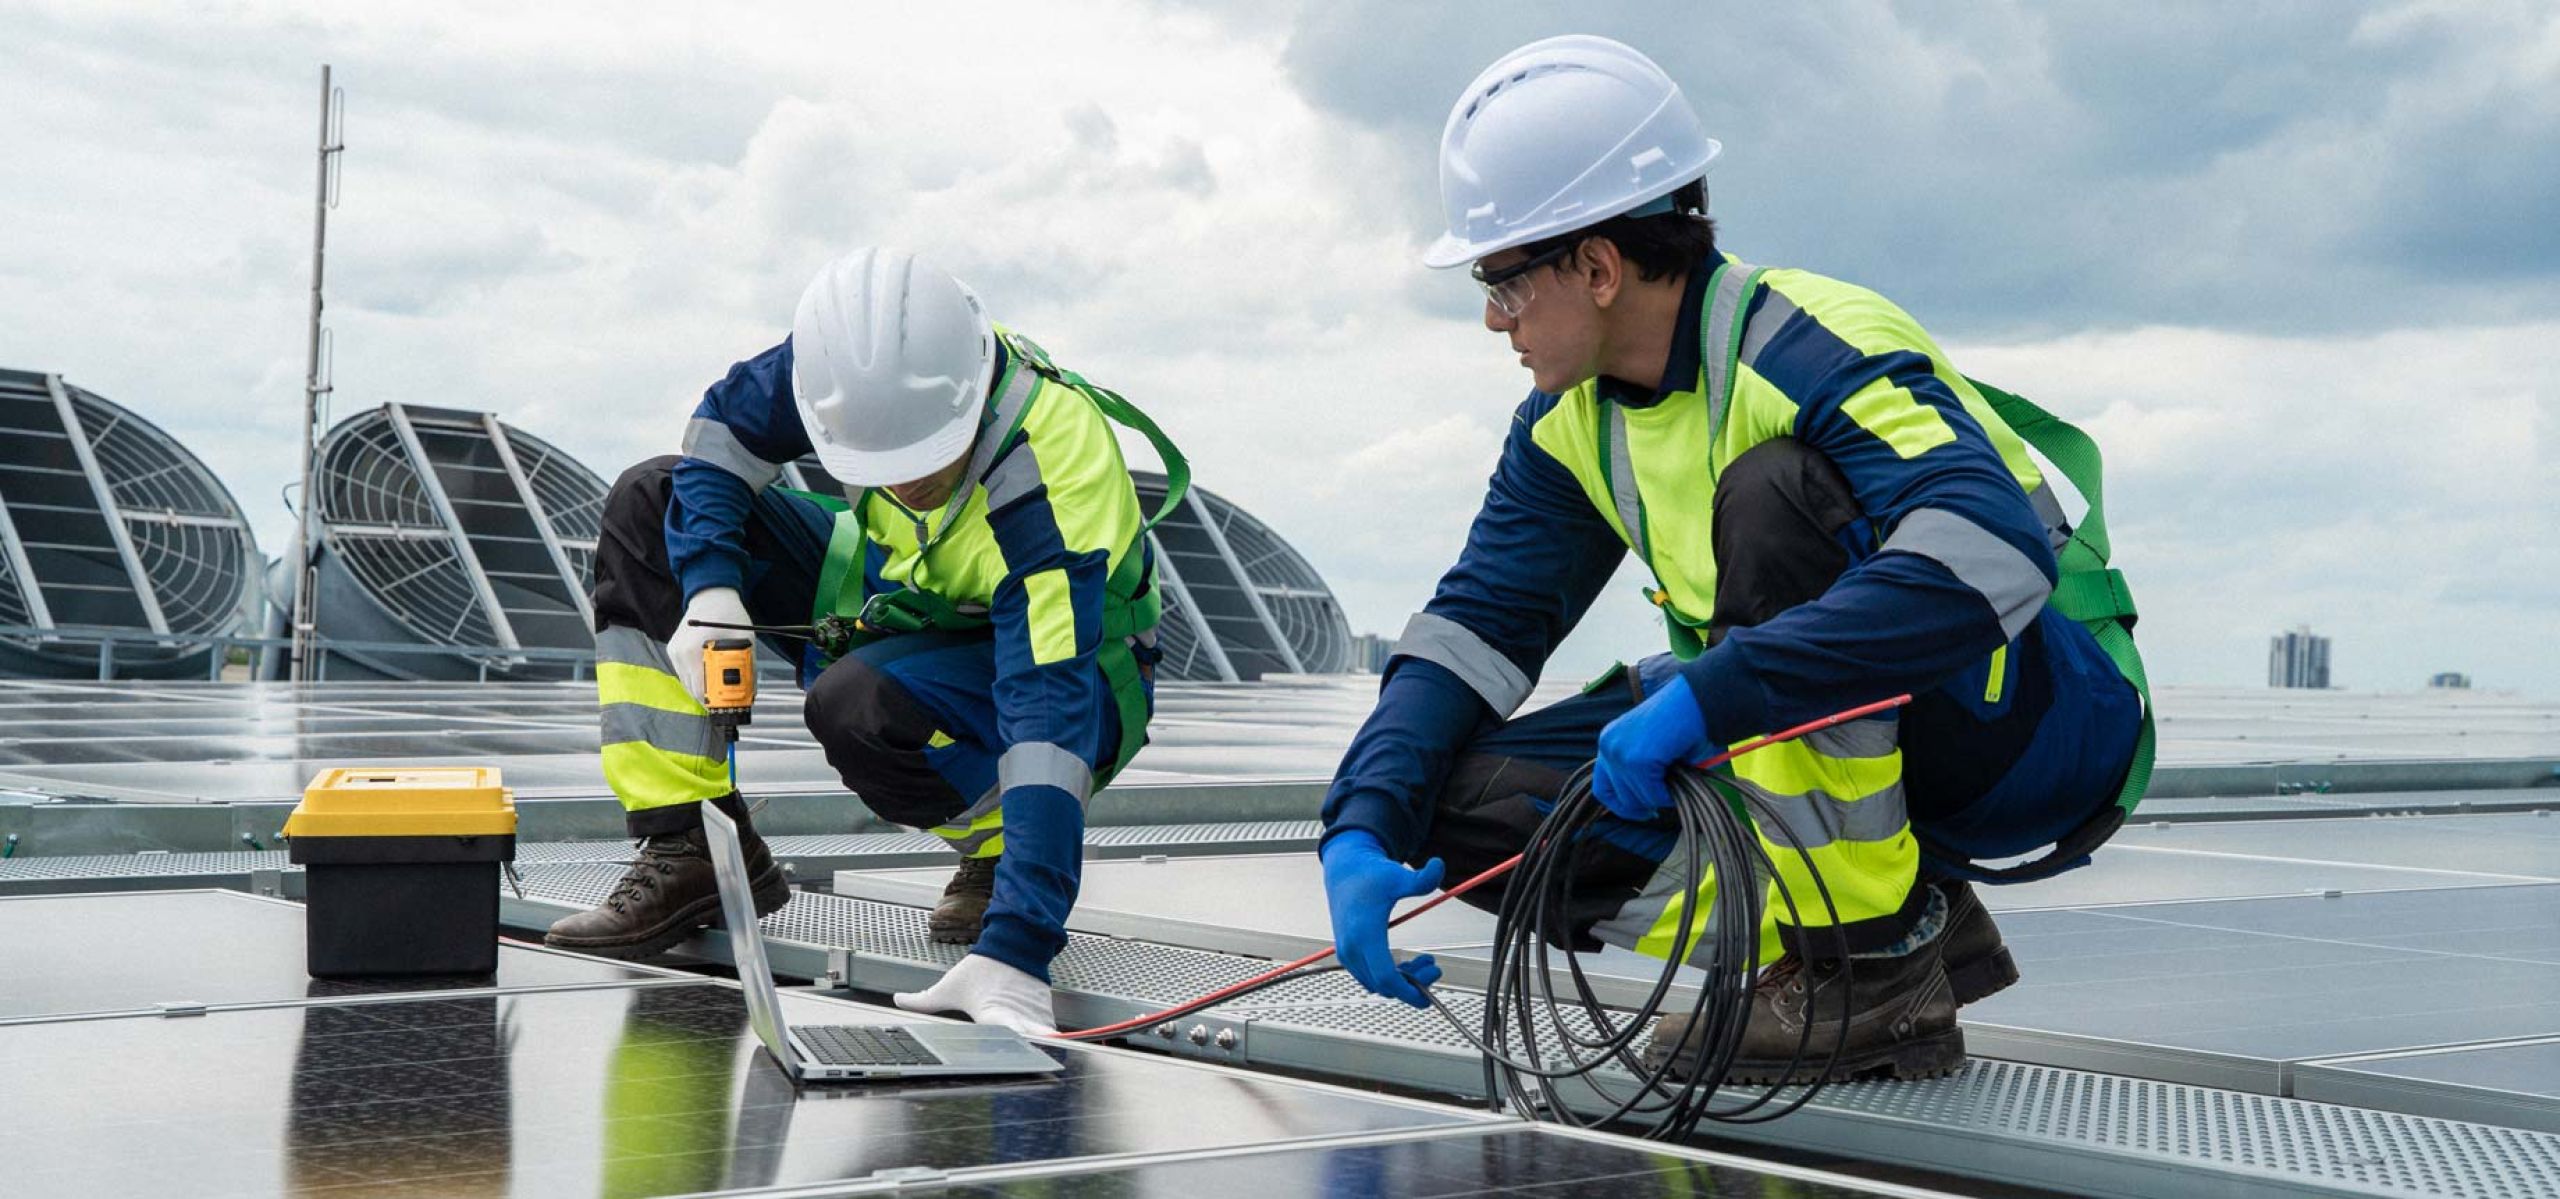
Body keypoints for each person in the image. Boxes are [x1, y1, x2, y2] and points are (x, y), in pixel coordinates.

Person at [1318, 36, 2147, 1082]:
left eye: (1504, 282)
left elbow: (1990, 555)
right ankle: (1888, 915)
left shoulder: (1806, 343)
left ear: (1599, 265)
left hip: (2035, 725)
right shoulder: (1567, 423)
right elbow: (1475, 625)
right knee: (1466, 808)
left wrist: (1713, 694)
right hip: (1842, 728)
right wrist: (1361, 820)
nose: (1493, 317)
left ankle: (1863, 961)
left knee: (1772, 495)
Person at [544, 247, 1183, 1035]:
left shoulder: (1050, 479)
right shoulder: (840, 366)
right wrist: (710, 586)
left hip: (1071, 675)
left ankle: (996, 851)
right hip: (898, 594)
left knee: (859, 707)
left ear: (967, 402)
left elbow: (1048, 710)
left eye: (921, 463)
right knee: (653, 499)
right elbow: (720, 435)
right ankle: (692, 846)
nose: (902, 484)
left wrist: (1021, 946)